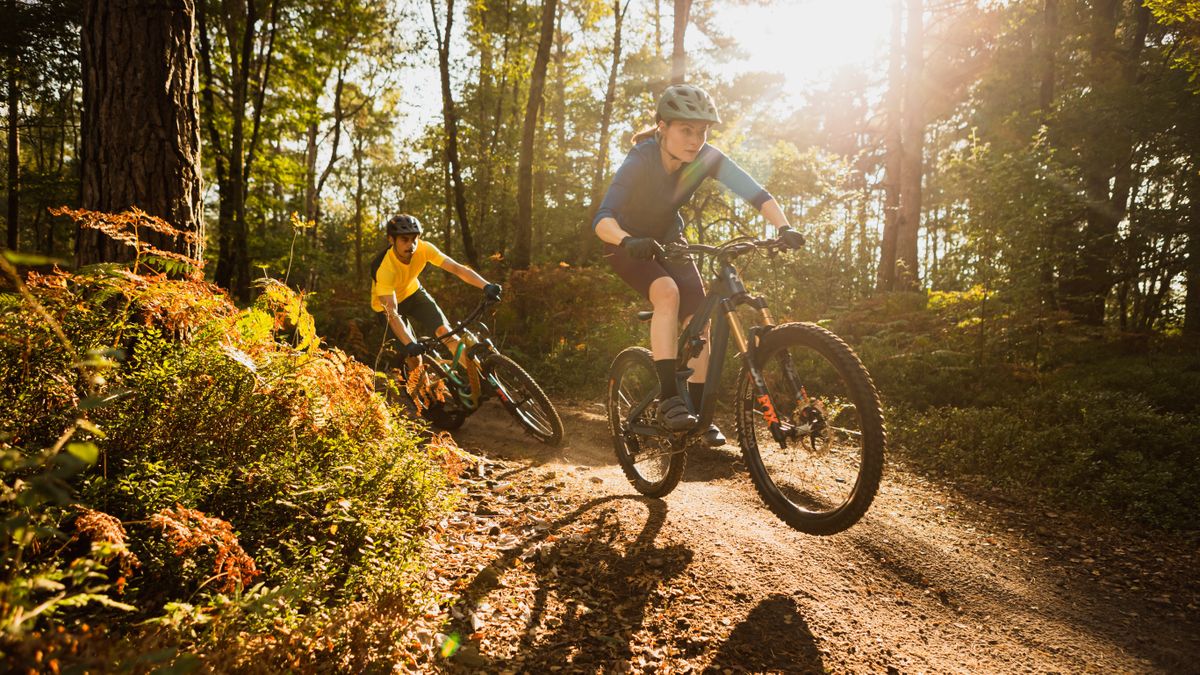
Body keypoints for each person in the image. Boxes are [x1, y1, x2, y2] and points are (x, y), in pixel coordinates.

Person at [592, 84, 793, 446]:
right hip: (624, 242)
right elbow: (602, 219)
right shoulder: (640, 159)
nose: (696, 140)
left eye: (702, 131)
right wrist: (626, 240)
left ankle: (699, 416)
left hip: (669, 240)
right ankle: (670, 398)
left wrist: (784, 226)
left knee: (700, 318)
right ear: (663, 127)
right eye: (687, 130)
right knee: (666, 293)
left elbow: (757, 193)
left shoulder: (707, 158)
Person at [371, 214, 502, 367]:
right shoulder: (384, 268)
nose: (411, 245)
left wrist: (486, 286)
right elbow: (392, 313)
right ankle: (422, 389)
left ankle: (480, 378)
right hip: (386, 307)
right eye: (404, 240)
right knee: (414, 356)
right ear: (391, 240)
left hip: (413, 293)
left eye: (414, 239)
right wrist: (410, 344)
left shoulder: (424, 248)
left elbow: (456, 268)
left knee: (444, 332)